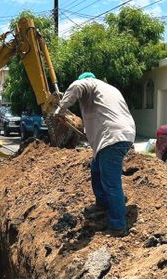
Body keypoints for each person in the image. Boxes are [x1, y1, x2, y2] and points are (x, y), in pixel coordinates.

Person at [55, 72, 136, 237]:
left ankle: (118, 226)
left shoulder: (88, 83)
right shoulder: (108, 90)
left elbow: (77, 86)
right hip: (124, 134)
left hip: (112, 138)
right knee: (95, 168)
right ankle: (102, 203)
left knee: (111, 183)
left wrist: (60, 110)